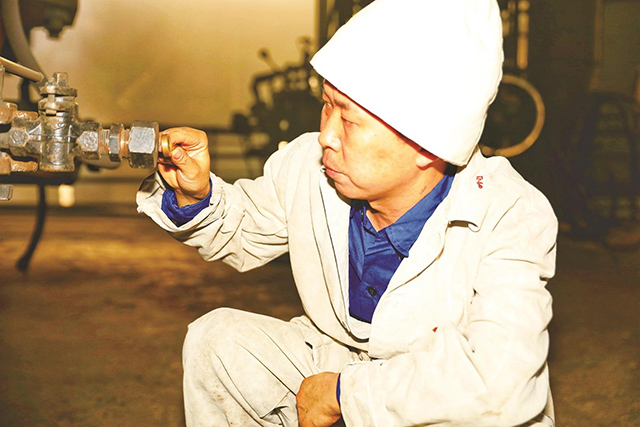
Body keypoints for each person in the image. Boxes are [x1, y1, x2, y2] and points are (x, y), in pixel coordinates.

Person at [137, 0, 558, 425]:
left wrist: (346, 394)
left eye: (350, 121)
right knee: (217, 343)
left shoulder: (510, 213)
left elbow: (499, 380)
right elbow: (243, 228)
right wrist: (196, 195)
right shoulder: (309, 166)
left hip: (444, 395)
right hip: (342, 360)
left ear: (427, 145)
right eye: (327, 105)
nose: (326, 135)